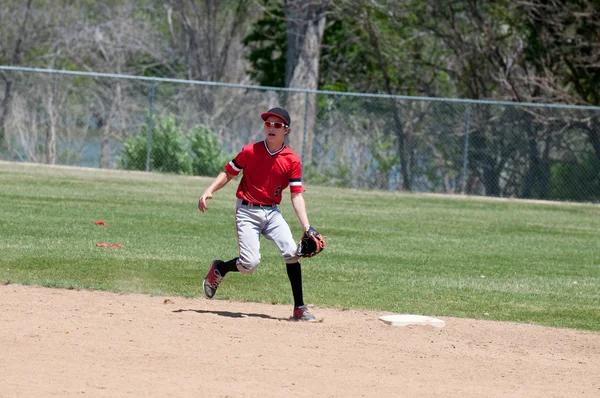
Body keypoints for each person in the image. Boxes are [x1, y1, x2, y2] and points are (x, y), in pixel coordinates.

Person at [197, 107, 319, 322]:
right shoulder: (250, 151)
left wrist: (307, 228)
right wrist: (209, 190)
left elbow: (296, 196)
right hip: (247, 211)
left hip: (272, 212)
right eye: (268, 124)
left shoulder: (291, 160)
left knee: (292, 253)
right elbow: (229, 172)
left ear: (286, 131)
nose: (272, 128)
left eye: (277, 125)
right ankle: (220, 268)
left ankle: (299, 307)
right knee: (249, 265)